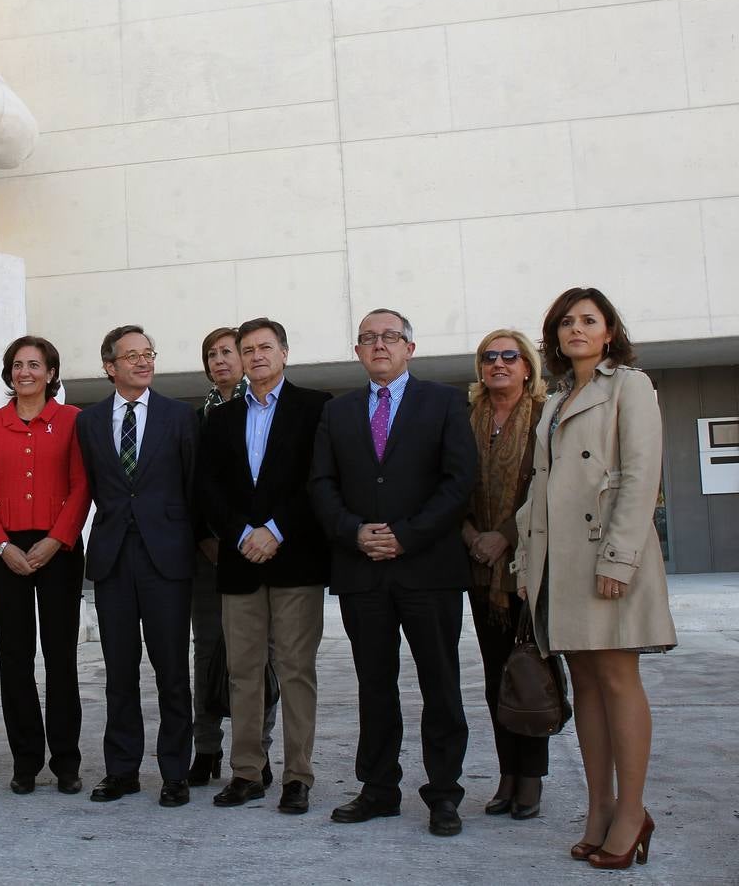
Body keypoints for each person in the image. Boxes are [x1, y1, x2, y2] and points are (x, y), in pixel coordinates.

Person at [515, 287, 677, 868]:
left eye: (588, 320)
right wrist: (527, 566)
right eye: (565, 322)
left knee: (615, 676)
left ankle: (632, 811)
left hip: (606, 553)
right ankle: (600, 807)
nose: (575, 330)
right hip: (560, 560)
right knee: (583, 681)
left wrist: (618, 559)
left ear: (609, 332)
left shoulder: (629, 386)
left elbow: (640, 476)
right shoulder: (555, 400)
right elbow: (538, 489)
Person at [309, 308, 476, 836]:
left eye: (389, 337)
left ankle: (444, 794)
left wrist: (407, 533)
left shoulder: (445, 401)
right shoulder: (339, 412)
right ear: (358, 351)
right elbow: (320, 484)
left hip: (428, 568)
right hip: (363, 572)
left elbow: (459, 480)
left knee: (440, 685)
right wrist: (354, 531)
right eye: (367, 338)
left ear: (410, 347)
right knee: (374, 685)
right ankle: (378, 788)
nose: (378, 345)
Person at [198, 318, 331, 814]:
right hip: (239, 563)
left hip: (296, 558)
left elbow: (319, 479)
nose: (255, 356)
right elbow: (208, 489)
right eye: (246, 349)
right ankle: (246, 772)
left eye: (264, 347)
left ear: (284, 352)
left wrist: (274, 530)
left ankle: (298, 776)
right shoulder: (222, 419)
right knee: (243, 673)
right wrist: (240, 534)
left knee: (296, 670)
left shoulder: (317, 408)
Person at [75, 325, 197, 808]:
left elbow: (191, 489)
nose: (143, 362)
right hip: (112, 559)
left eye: (149, 354)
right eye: (132, 356)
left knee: (171, 671)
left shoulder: (179, 416)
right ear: (110, 366)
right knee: (119, 672)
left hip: (166, 559)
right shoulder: (89, 421)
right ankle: (122, 770)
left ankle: (174, 772)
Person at [0, 336, 92, 796]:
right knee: (15, 659)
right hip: (5, 552)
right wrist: (1, 545)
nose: (26, 372)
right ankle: (25, 760)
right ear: (9, 373)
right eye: (18, 365)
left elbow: (82, 486)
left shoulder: (72, 421)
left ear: (51, 373)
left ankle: (66, 761)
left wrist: (56, 540)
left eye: (35, 365)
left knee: (61, 658)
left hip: (58, 549)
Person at [460, 329, 548, 820]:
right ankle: (507, 774)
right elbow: (452, 483)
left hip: (525, 563)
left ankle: (531, 777)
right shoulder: (466, 419)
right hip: (478, 567)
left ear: (527, 366)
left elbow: (545, 488)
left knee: (529, 670)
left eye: (509, 356)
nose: (498, 364)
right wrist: (472, 535)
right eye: (489, 357)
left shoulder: (543, 417)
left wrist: (505, 536)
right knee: (497, 674)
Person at [189, 327, 278, 789]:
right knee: (207, 651)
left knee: (259, 655)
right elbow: (194, 486)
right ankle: (206, 747)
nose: (220, 360)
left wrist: (249, 537)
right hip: (209, 554)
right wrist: (209, 538)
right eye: (212, 354)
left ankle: (256, 748)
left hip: (259, 551)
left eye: (228, 352)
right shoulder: (197, 417)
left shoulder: (266, 410)